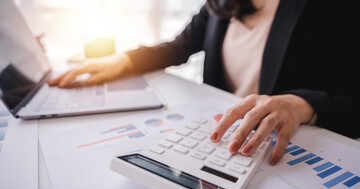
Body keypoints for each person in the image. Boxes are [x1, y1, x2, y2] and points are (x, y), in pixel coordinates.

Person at [48, 0, 359, 165]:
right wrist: (124, 60)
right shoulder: (221, 4)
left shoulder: (331, 7)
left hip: (290, 151)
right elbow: (179, 45)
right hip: (219, 142)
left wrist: (304, 104)